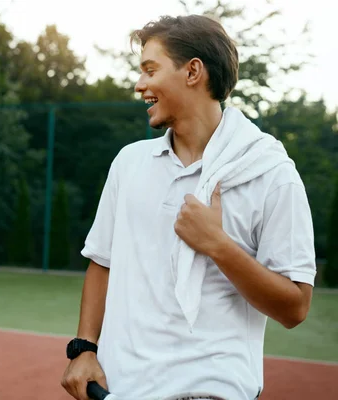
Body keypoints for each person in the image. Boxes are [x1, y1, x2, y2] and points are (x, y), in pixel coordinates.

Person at [61, 15, 316, 400]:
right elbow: (102, 261)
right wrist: (84, 348)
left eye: (150, 69)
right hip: (122, 389)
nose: (139, 84)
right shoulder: (129, 162)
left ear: (193, 71)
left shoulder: (272, 174)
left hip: (213, 391)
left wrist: (218, 244)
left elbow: (295, 307)